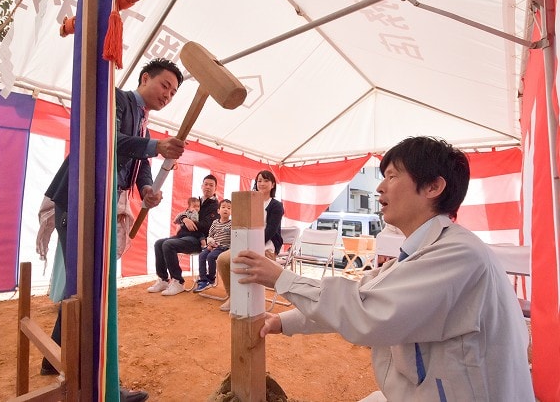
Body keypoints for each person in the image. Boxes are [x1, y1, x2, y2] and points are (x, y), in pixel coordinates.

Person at [232, 136, 534, 401]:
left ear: (433, 186)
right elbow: (364, 294)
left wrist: (282, 278)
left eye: (391, 176)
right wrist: (284, 322)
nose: (379, 187)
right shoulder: (424, 251)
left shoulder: (458, 255)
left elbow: (368, 314)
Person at [41, 58, 185, 402]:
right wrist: (155, 147)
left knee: (87, 282)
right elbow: (108, 139)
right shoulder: (116, 100)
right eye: (165, 85)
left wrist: (146, 190)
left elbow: (141, 166)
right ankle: (101, 383)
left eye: (174, 92)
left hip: (101, 203)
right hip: (78, 198)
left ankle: (53, 358)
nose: (168, 94)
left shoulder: (146, 126)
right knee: (94, 286)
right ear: (145, 77)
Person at [217, 169, 283, 311]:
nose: (262, 183)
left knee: (244, 261)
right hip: (245, 243)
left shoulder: (276, 205)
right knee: (222, 259)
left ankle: (249, 300)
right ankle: (233, 297)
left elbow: (270, 231)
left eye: (266, 180)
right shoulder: (248, 201)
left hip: (266, 245)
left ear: (273, 184)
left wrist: (251, 244)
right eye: (259, 180)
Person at [147, 174, 220, 296]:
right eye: (206, 184)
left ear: (215, 188)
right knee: (159, 243)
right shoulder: (196, 201)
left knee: (168, 244)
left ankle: (178, 281)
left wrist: (188, 222)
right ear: (202, 186)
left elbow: (206, 225)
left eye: (211, 185)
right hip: (185, 236)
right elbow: (183, 214)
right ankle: (164, 279)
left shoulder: (216, 206)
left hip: (200, 240)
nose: (208, 187)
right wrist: (185, 218)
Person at [194, 198, 232, 292]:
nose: (226, 209)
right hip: (214, 246)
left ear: (232, 212)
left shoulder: (232, 224)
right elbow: (210, 235)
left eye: (229, 208)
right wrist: (210, 244)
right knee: (202, 255)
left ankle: (211, 278)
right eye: (223, 207)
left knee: (211, 257)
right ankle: (203, 280)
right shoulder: (215, 222)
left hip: (224, 248)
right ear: (218, 211)